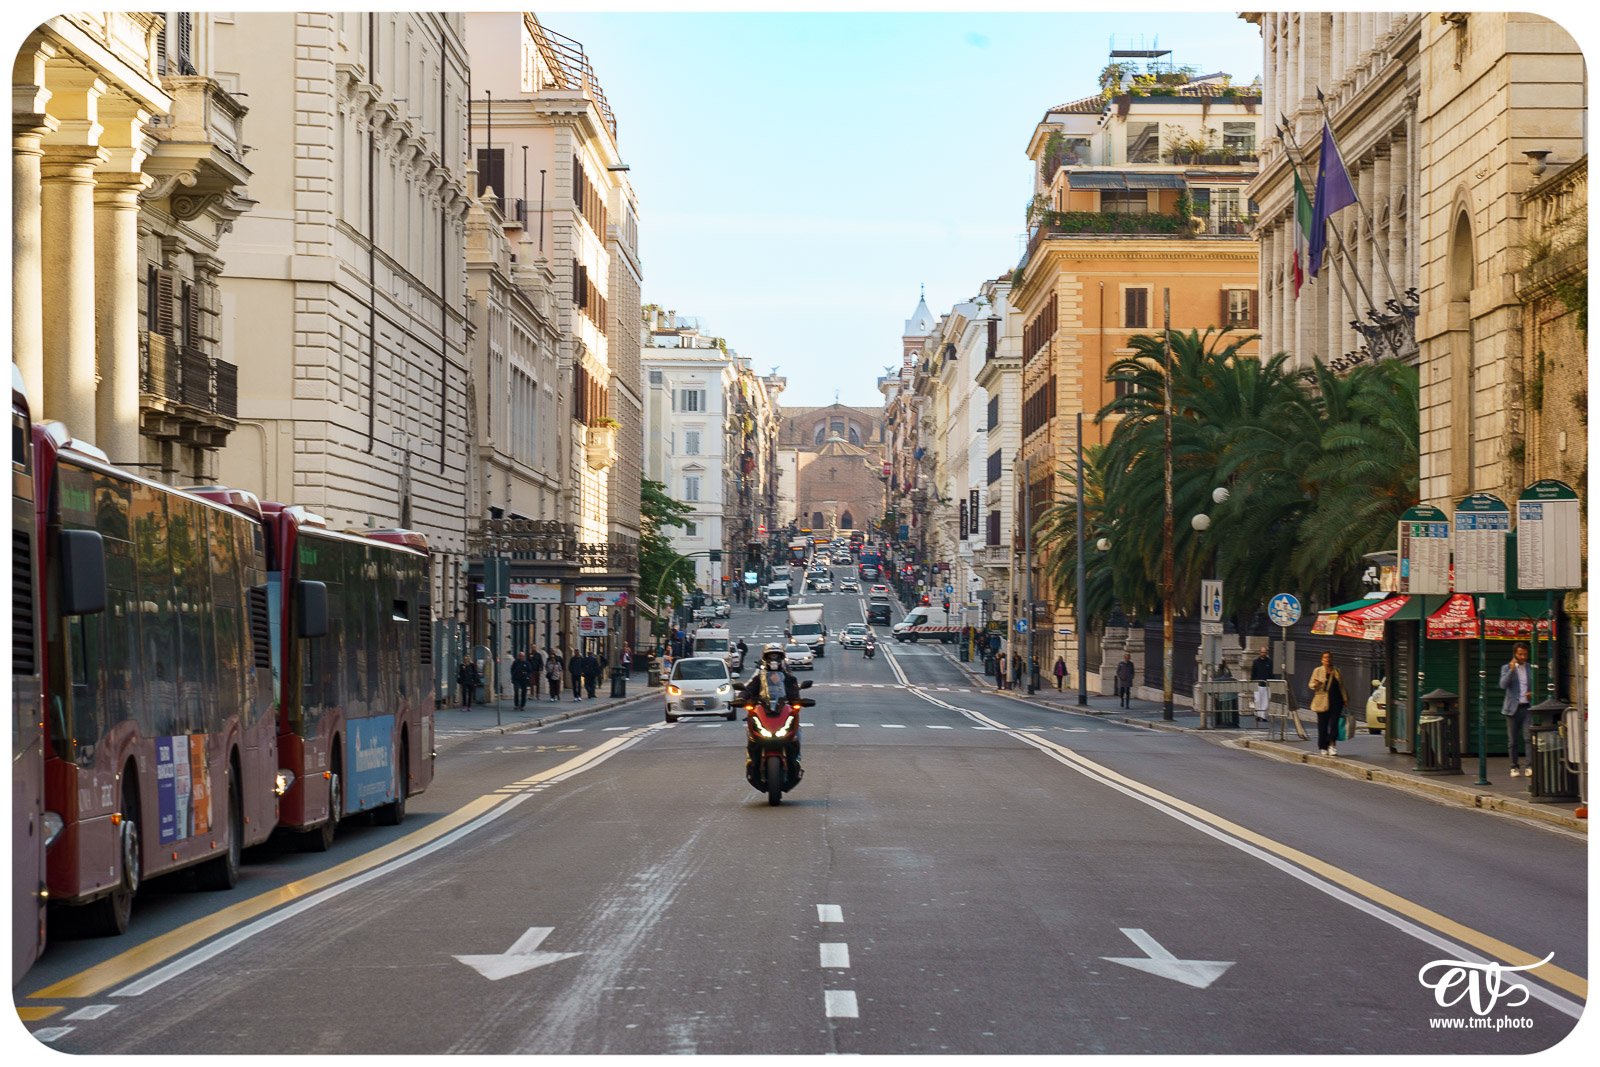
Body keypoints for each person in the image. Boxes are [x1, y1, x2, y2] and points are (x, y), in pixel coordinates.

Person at [738, 643, 804, 779]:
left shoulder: (790, 679)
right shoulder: (759, 679)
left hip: (783, 714)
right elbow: (748, 690)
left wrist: (798, 702)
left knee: (796, 731)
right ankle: (751, 760)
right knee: (751, 733)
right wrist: (741, 698)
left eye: (777, 657)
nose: (774, 661)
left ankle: (797, 759)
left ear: (782, 659)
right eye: (771, 657)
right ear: (765, 659)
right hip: (763, 714)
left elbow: (795, 694)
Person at [1499, 642, 1534, 778]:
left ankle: (1529, 766)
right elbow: (1503, 685)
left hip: (1527, 708)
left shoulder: (1530, 668)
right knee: (1513, 741)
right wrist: (1511, 670)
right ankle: (1514, 767)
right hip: (1512, 709)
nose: (1523, 657)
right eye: (1520, 654)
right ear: (1515, 654)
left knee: (1529, 738)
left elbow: (1535, 686)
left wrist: (1532, 694)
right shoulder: (1506, 668)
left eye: (1525, 654)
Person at [1308, 651, 1347, 756]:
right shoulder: (1317, 670)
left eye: (1329, 657)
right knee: (1322, 725)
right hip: (1322, 701)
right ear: (1322, 660)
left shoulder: (1336, 671)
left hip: (1336, 701)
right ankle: (1323, 746)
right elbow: (1310, 684)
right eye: (1325, 657)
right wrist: (1316, 685)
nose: (1327, 659)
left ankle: (1332, 745)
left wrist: (1345, 699)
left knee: (1334, 724)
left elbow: (1341, 686)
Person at [1249, 646, 1274, 718]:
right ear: (1260, 653)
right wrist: (1252, 682)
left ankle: (1263, 715)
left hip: (1267, 684)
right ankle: (1258, 714)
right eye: (1262, 652)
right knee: (1257, 700)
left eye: (1265, 652)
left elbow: (1271, 673)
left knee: (1266, 700)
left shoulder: (1270, 662)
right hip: (1258, 684)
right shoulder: (1256, 662)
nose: (1263, 654)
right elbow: (1253, 673)